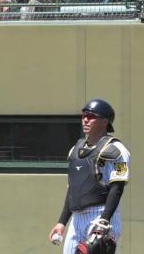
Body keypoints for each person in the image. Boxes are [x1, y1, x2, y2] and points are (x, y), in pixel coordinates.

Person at [48, 99, 129, 253]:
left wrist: (104, 221)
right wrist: (62, 222)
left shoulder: (117, 150)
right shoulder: (75, 150)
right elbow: (73, 189)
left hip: (101, 215)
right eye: (84, 115)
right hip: (77, 219)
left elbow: (117, 187)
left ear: (104, 121)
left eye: (91, 116)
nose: (85, 119)